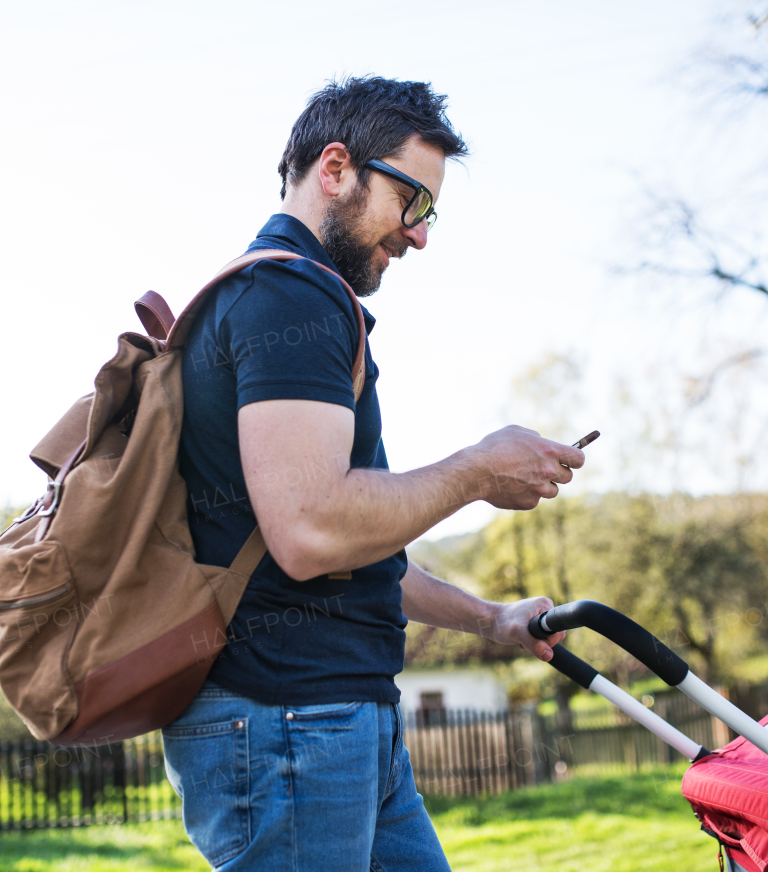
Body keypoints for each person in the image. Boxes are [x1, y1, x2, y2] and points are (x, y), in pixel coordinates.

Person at [164, 75, 583, 872]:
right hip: (289, 721)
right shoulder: (288, 295)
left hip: (336, 716)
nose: (420, 235)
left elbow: (352, 553)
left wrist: (490, 620)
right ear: (335, 168)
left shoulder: (291, 296)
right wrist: (477, 471)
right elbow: (312, 530)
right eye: (411, 202)